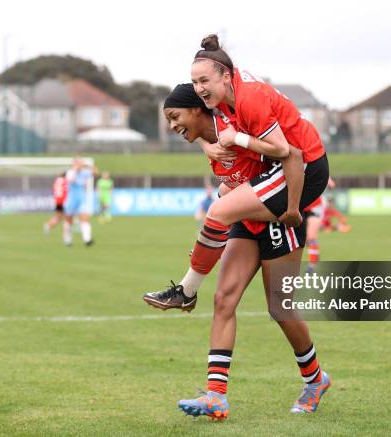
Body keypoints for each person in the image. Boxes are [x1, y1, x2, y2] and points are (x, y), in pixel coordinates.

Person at [149, 83, 331, 418]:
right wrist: (206, 144)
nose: (172, 126)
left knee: (280, 308)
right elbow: (230, 177)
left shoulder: (235, 128)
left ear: (198, 110)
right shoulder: (211, 139)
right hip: (246, 222)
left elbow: (289, 153)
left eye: (176, 117)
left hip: (278, 220)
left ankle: (315, 379)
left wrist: (292, 208)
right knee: (223, 299)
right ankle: (216, 396)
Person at [144, 34, 329, 318]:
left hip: (303, 165)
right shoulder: (226, 91)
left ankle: (187, 290)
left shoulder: (248, 98)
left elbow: (285, 150)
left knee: (219, 212)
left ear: (225, 76)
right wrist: (208, 143)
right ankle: (311, 366)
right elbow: (203, 123)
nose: (199, 88)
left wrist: (238, 139)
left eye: (203, 81)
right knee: (223, 200)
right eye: (195, 82)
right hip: (286, 165)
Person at [304, 178, 336, 273]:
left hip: (315, 206)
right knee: (303, 240)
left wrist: (328, 179)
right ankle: (314, 256)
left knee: (311, 237)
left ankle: (311, 265)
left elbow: (331, 183)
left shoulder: (313, 164)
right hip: (300, 206)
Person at [63, 158, 94, 247]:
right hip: (71, 199)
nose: (79, 164)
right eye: (77, 163)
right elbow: (71, 180)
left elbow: (95, 172)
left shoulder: (85, 172)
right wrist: (76, 170)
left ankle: (87, 239)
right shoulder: (70, 172)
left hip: (82, 199)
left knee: (84, 218)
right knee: (69, 220)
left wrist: (89, 165)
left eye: (80, 163)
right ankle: (67, 239)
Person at [43, 171, 67, 235]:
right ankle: (66, 234)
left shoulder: (57, 181)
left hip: (57, 201)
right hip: (64, 201)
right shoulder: (65, 181)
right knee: (66, 217)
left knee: (59, 217)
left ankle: (48, 225)